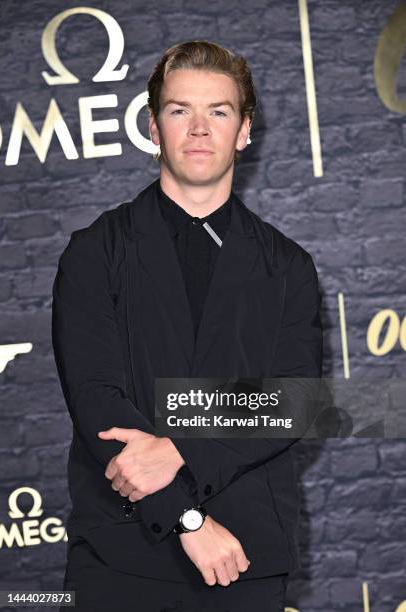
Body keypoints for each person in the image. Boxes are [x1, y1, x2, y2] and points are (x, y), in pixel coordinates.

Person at [52, 40, 323, 612]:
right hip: (120, 559)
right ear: (154, 127)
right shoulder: (94, 253)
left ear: (244, 131)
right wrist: (187, 518)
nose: (199, 129)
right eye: (180, 111)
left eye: (218, 112)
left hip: (246, 561)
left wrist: (178, 447)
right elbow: (99, 403)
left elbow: (293, 403)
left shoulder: (289, 265)